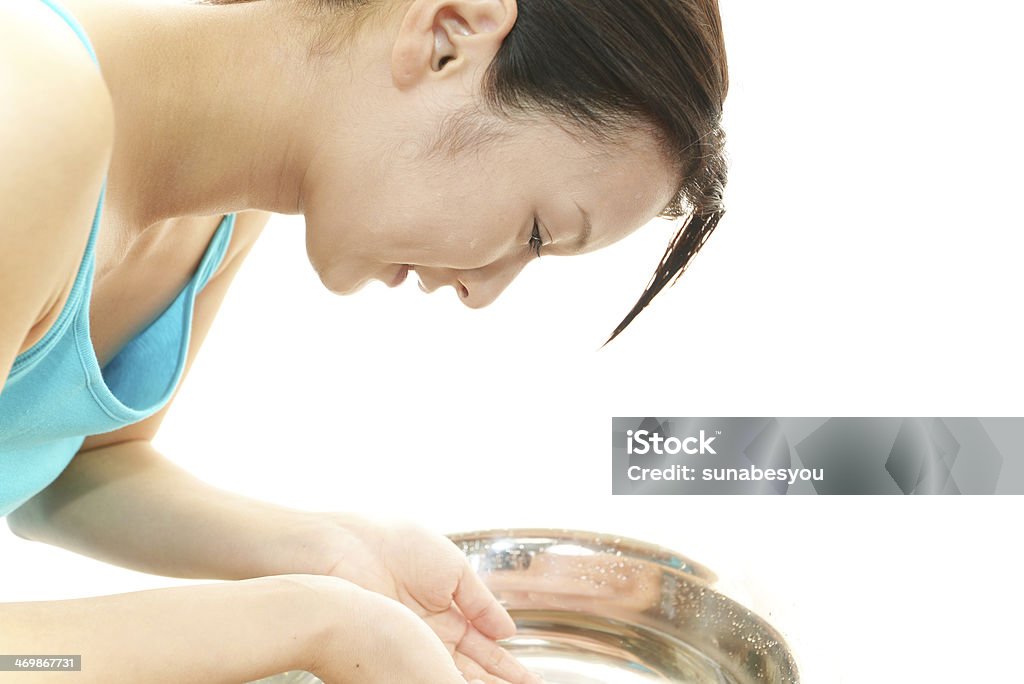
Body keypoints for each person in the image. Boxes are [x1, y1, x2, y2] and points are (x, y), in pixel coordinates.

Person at [0, 0, 729, 681]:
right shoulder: (27, 111)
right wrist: (309, 624)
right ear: (448, 36)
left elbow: (64, 468)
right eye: (536, 232)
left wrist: (331, 552)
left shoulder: (221, 212)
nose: (483, 294)